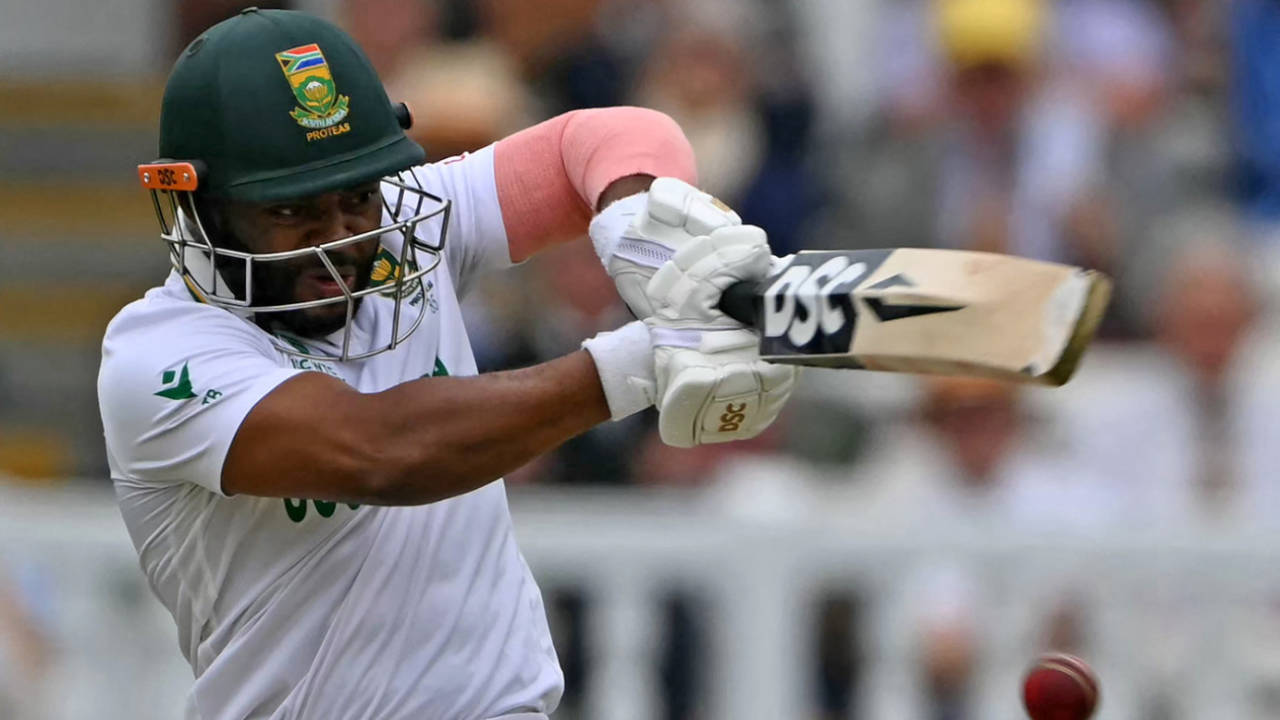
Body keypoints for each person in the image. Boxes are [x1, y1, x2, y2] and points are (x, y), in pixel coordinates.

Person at [96, 9, 796, 720]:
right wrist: (644, 358)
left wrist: (632, 229)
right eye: (290, 212)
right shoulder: (157, 354)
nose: (339, 242)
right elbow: (382, 452)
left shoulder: (404, 223)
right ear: (198, 206)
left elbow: (619, 135)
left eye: (356, 197)